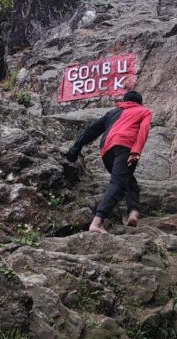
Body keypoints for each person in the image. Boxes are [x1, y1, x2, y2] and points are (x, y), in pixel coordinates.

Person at [64, 90, 152, 234]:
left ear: (124, 101)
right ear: (140, 102)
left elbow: (91, 130)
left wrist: (75, 149)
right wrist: (136, 151)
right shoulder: (144, 111)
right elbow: (143, 130)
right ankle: (97, 221)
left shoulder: (113, 113)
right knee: (118, 183)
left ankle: (133, 212)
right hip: (125, 147)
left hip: (107, 151)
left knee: (128, 181)